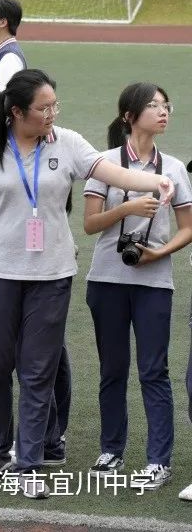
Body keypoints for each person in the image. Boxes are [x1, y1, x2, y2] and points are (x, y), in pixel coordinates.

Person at [0, 69, 175, 499]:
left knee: (37, 372)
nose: (52, 113)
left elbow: (113, 172)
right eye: (43, 108)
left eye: (55, 105)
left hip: (51, 276)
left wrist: (153, 180)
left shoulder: (66, 143)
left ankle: (28, 464)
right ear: (16, 112)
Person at [83, 83, 192, 491]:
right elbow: (90, 224)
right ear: (129, 116)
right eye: (153, 106)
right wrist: (128, 206)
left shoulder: (175, 168)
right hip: (107, 280)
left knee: (154, 371)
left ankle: (158, 460)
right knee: (112, 370)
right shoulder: (105, 163)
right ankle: (111, 449)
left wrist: (158, 254)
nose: (163, 112)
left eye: (167, 105)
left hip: (154, 283)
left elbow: (188, 228)